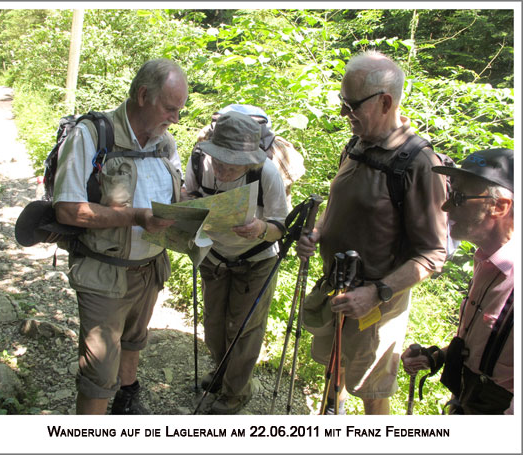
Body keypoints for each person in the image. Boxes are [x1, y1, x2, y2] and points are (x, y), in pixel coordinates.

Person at [297, 50, 448, 415]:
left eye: (351, 106)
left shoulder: (420, 165)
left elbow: (434, 255)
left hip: (377, 306)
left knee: (372, 390)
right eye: (342, 102)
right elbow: (341, 210)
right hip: (338, 290)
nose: (343, 114)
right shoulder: (357, 144)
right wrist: (317, 233)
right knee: (336, 370)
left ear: (385, 101)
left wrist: (377, 293)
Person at [52, 59, 188, 415]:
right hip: (104, 273)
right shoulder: (92, 135)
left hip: (150, 268)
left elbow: (176, 195)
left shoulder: (165, 143)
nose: (176, 119)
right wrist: (136, 217)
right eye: (170, 108)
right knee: (99, 371)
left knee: (133, 341)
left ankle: (127, 401)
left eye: (179, 110)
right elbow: (67, 210)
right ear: (143, 96)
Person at [184, 111, 289, 414]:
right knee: (214, 325)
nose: (223, 171)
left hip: (256, 260)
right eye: (219, 161)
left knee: (244, 329)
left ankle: (236, 392)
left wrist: (259, 229)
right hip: (213, 256)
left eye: (232, 166)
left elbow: (280, 226)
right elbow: (188, 194)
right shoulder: (199, 161)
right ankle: (221, 375)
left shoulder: (266, 173)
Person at [402, 148, 514, 415]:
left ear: (499, 206)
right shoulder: (486, 260)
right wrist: (438, 356)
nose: (446, 206)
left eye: (459, 198)